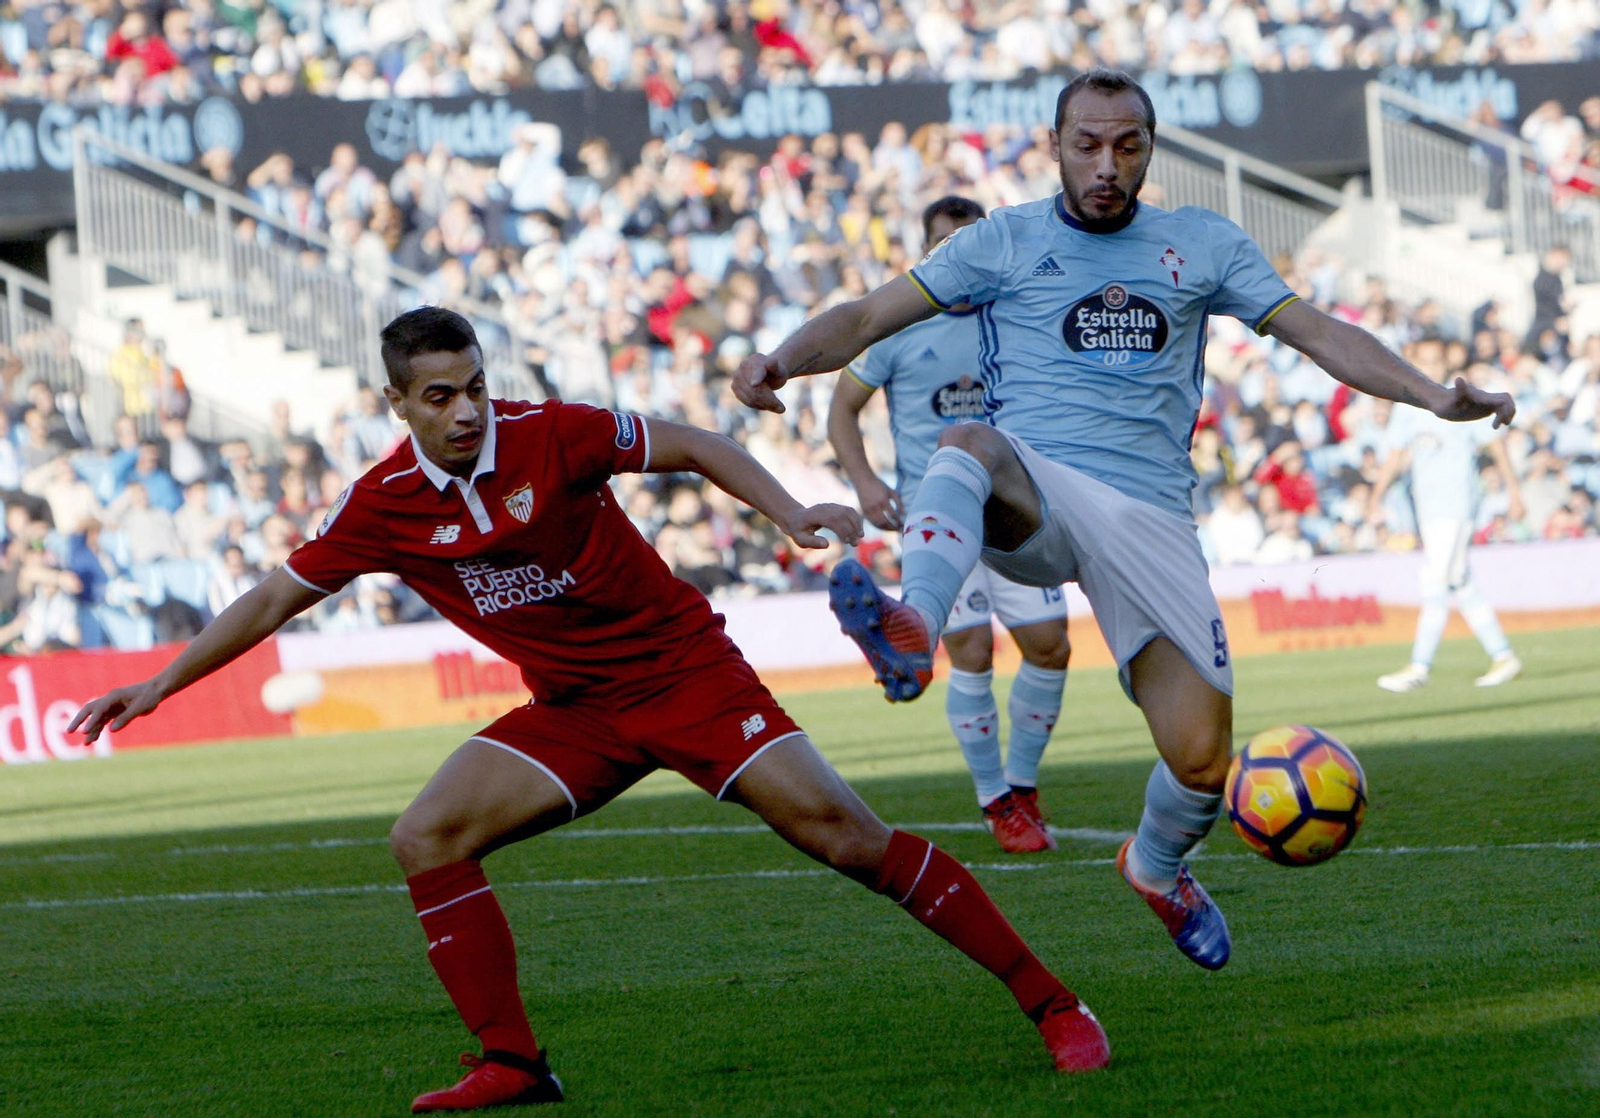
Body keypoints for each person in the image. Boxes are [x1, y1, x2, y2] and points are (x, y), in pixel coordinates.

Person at [70, 308, 1111, 1113]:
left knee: (847, 836)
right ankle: (512, 1061)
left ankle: (1054, 1001)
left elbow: (698, 443)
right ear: (399, 403)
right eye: (440, 396)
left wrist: (792, 512)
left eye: (474, 385)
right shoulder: (381, 504)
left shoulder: (553, 434)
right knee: (426, 835)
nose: (467, 409)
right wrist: (161, 681)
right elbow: (271, 596)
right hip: (576, 708)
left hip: (684, 674)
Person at [734, 69, 1515, 973]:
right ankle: (915, 629)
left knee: (1199, 763)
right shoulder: (1003, 241)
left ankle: (1155, 867)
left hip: (1149, 518)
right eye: (1088, 144)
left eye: (1128, 146)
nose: (1107, 165)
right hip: (1033, 485)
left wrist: (1429, 393)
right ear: (1055, 145)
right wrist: (781, 360)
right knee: (967, 441)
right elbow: (870, 313)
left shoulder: (1203, 244)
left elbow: (1320, 333)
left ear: (1151, 149)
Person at [829, 194, 1070, 855]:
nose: (956, 248)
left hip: (1015, 507)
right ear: (926, 249)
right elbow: (841, 408)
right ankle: (997, 800)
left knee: (1050, 645)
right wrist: (867, 482)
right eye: (943, 239)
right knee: (972, 652)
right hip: (938, 516)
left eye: (968, 236)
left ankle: (1022, 786)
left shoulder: (1016, 314)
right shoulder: (901, 328)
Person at [1366, 339, 1523, 691]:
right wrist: (1376, 496)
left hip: (1455, 505)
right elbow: (1395, 456)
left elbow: (1494, 445)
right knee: (1459, 581)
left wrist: (1514, 491)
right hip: (1428, 507)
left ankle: (1419, 666)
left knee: (1435, 580)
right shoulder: (1408, 408)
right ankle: (1503, 655)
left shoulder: (1458, 402)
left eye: (1437, 362)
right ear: (1415, 364)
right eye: (1425, 362)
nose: (1432, 368)